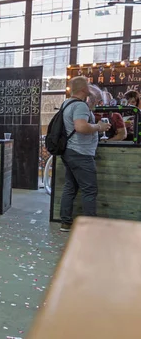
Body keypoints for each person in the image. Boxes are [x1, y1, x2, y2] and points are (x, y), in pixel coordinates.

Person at [59, 78, 110, 232]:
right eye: (87, 85)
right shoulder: (80, 106)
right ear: (82, 89)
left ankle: (65, 222)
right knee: (89, 190)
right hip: (81, 153)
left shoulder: (66, 103)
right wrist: (99, 127)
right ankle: (90, 227)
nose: (90, 87)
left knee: (70, 187)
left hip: (69, 151)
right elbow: (81, 127)